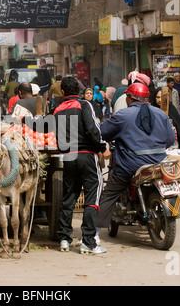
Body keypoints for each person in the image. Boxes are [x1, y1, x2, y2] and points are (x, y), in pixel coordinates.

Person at [96, 83, 176, 240]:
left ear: (129, 98)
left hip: (130, 165)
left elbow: (102, 131)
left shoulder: (123, 115)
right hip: (157, 163)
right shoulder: (160, 114)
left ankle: (94, 233)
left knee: (109, 194)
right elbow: (170, 139)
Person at [54, 76, 109, 255]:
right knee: (92, 197)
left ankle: (64, 238)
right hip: (87, 155)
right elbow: (93, 129)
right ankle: (89, 241)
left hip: (68, 157)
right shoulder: (85, 105)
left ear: (62, 92)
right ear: (78, 91)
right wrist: (102, 147)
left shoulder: (57, 110)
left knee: (69, 197)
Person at [150, 89, 180, 153]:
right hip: (155, 144)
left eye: (162, 97)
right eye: (158, 97)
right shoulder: (151, 110)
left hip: (172, 144)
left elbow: (179, 126)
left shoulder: (171, 108)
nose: (160, 100)